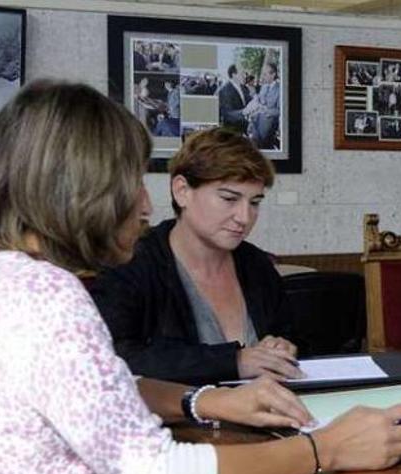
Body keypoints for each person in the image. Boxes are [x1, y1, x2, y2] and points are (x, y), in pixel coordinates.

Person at [0, 80, 401, 474]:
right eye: (131, 182)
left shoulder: (1, 277)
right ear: (79, 189)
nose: (145, 205)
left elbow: (99, 389)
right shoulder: (48, 296)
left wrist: (203, 400)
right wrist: (325, 448)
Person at [91, 128, 301, 386]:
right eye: (229, 198)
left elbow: (289, 335)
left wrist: (282, 347)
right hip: (173, 423)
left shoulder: (257, 264)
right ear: (182, 191)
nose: (245, 218)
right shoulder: (131, 263)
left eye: (254, 202)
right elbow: (115, 358)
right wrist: (233, 361)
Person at [246, 62, 281, 149]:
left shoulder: (280, 89)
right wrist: (254, 95)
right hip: (255, 123)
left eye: (265, 74)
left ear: (273, 74)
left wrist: (265, 110)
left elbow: (280, 111)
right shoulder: (264, 87)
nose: (263, 76)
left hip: (268, 127)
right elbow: (260, 102)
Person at [217, 64, 253, 135]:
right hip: (232, 132)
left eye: (245, 74)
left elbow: (249, 102)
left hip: (243, 130)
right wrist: (244, 112)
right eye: (242, 73)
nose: (245, 76)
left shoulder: (244, 88)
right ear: (234, 75)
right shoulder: (225, 90)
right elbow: (228, 114)